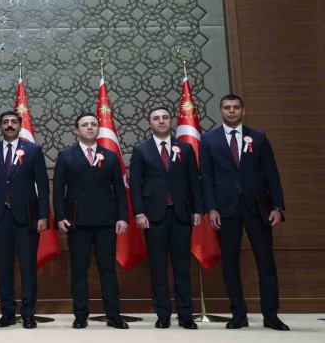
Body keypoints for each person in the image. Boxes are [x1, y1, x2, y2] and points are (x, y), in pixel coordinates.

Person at [199, 94, 289, 331]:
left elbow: (271, 174)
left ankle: (271, 314)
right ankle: (238, 314)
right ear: (220, 112)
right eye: (227, 108)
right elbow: (206, 177)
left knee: (266, 262)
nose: (231, 111)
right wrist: (211, 208)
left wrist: (277, 207)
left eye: (236, 107)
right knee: (230, 264)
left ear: (243, 111)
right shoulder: (208, 140)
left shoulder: (258, 137)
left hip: (258, 208)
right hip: (225, 209)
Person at [53, 112, 129, 329]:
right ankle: (80, 315)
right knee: (79, 271)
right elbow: (58, 190)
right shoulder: (66, 155)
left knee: (108, 271)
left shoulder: (110, 156)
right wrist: (60, 216)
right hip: (77, 222)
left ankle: (113, 315)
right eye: (85, 125)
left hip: (106, 221)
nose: (89, 127)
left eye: (93, 124)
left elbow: (120, 191)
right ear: (77, 130)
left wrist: (122, 217)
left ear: (98, 128)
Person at [129, 107, 203, 329]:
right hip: (153, 216)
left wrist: (197, 210)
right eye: (156, 118)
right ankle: (163, 314)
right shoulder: (141, 150)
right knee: (158, 267)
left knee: (182, 267)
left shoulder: (185, 148)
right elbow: (135, 185)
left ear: (170, 121)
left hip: (181, 214)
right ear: (150, 123)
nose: (161, 121)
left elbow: (194, 181)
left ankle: (185, 314)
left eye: (164, 117)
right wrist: (139, 213)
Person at [0, 110, 49, 329]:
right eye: (5, 122)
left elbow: (43, 186)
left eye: (13, 122)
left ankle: (28, 313)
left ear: (20, 125)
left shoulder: (33, 150)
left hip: (27, 217)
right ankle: (7, 312)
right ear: (0, 126)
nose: (9, 125)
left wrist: (43, 215)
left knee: (28, 267)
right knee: (4, 267)